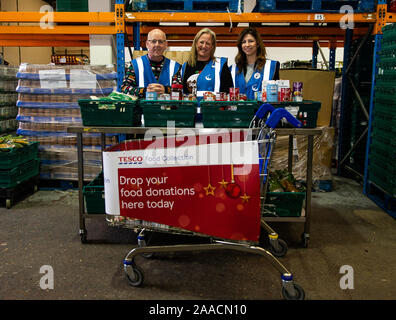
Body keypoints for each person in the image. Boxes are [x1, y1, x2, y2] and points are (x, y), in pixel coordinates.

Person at [173, 28, 234, 99]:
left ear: (212, 46)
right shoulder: (185, 67)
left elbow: (228, 94)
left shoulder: (221, 66)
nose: (204, 46)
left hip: (213, 109)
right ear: (196, 43)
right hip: (191, 109)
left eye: (207, 43)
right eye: (201, 42)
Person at [121, 28, 180, 98]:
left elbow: (180, 90)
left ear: (166, 45)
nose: (157, 45)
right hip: (142, 108)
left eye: (160, 42)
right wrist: (145, 91)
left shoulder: (175, 67)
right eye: (153, 41)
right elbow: (124, 89)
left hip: (167, 108)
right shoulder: (135, 65)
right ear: (147, 44)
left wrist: (166, 90)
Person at [230, 27, 280, 101]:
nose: (247, 45)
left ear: (257, 44)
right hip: (238, 112)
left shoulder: (271, 66)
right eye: (243, 42)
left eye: (251, 41)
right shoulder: (232, 69)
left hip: (262, 111)